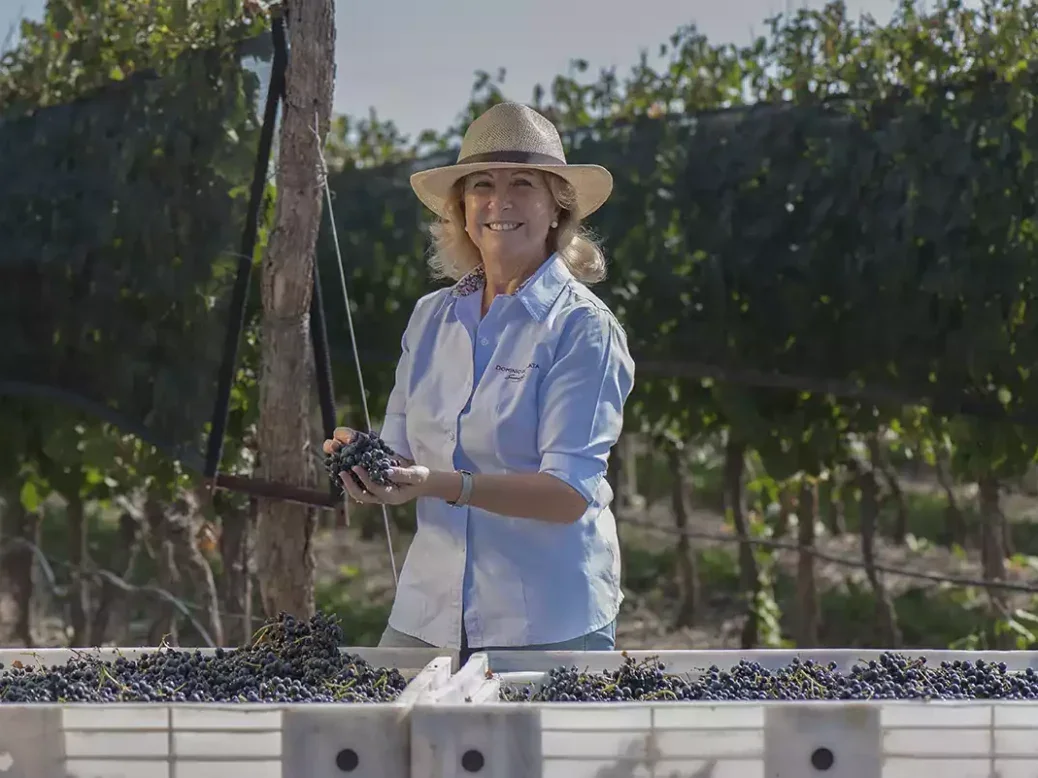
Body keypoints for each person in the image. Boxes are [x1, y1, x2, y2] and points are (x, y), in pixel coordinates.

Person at [322, 101, 635, 660]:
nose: (500, 201)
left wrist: (443, 483)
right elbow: (402, 450)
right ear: (462, 209)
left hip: (544, 621)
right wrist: (369, 465)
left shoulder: (583, 329)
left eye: (523, 183)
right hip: (429, 611)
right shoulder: (431, 317)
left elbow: (568, 495)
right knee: (396, 745)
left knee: (530, 753)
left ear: (556, 209)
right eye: (482, 184)